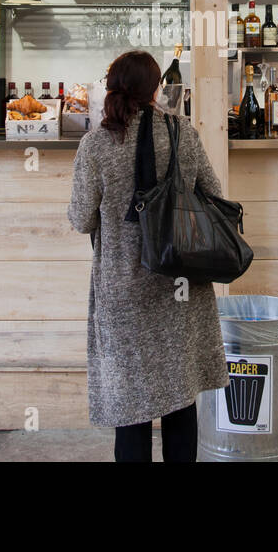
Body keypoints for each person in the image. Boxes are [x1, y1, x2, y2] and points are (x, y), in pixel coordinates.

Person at [67, 50, 228, 461]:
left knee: (130, 404)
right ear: (156, 88)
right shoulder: (182, 132)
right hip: (181, 282)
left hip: (124, 290)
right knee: (180, 397)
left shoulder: (96, 144)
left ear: (112, 88)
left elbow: (82, 219)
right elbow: (214, 195)